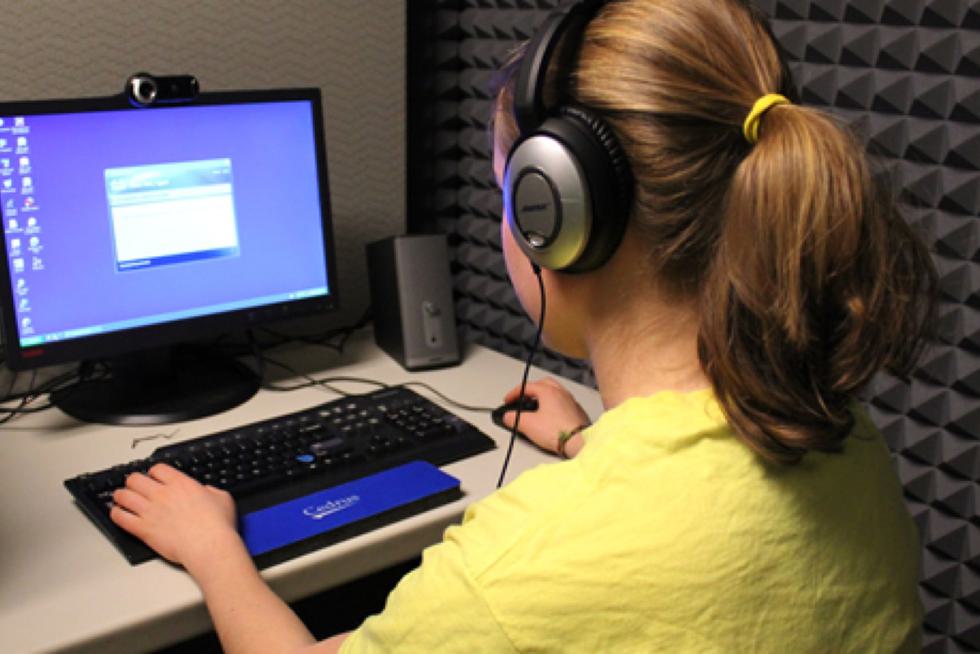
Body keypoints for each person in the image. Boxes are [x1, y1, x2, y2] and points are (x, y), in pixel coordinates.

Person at [109, 0, 936, 651]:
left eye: (507, 189)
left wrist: (214, 548)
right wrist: (588, 447)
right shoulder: (840, 435)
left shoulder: (517, 569)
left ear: (555, 218)